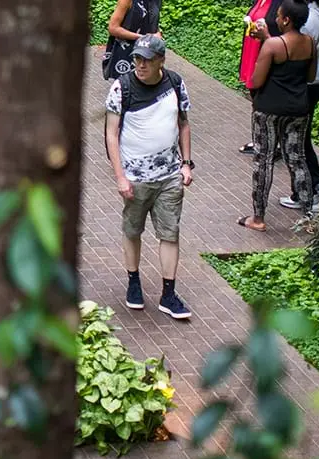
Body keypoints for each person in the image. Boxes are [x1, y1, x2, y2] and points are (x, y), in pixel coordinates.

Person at [104, 34, 194, 319]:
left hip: (169, 176)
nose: (140, 65)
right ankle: (134, 282)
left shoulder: (175, 83)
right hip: (135, 177)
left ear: (161, 61)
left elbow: (183, 124)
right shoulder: (122, 88)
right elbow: (111, 134)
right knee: (133, 230)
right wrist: (120, 176)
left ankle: (168, 294)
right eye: (137, 60)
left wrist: (187, 164)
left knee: (170, 233)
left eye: (147, 60)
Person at [237, 0, 318, 232]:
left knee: (263, 160)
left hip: (268, 109)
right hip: (298, 109)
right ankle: (309, 217)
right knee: (297, 159)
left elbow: (257, 80)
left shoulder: (273, 45)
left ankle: (258, 218)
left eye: (279, 16)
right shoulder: (310, 43)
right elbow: (310, 76)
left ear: (285, 20)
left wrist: (266, 42)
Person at [279, 0, 319, 210]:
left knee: (295, 137)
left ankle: (305, 192)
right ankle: (318, 180)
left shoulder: (307, 20)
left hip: (308, 81)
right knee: (303, 132)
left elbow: (296, 50)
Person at [238, 0, 285, 156]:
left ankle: (273, 144)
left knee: (265, 99)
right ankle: (260, 139)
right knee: (256, 98)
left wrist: (265, 33)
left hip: (264, 54)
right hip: (252, 52)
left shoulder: (281, 3)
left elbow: (280, 32)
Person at [102, 0, 162, 80]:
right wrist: (143, 37)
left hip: (147, 51)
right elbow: (113, 28)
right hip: (126, 52)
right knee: (127, 86)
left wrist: (158, 33)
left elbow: (151, 21)